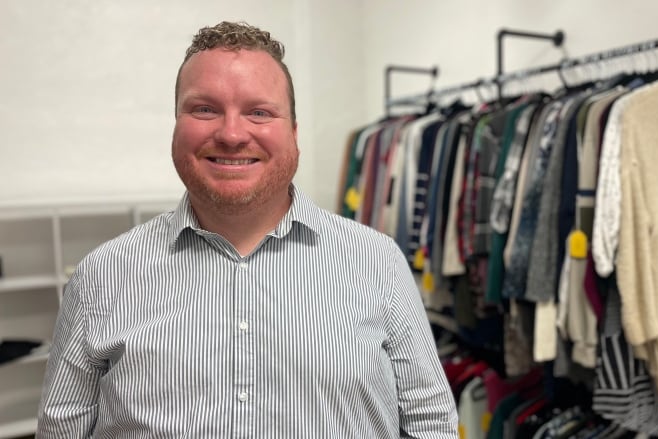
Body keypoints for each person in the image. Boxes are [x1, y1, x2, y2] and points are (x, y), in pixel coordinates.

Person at [36, 21, 458, 438]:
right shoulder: (101, 276)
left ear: (294, 134)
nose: (232, 134)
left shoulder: (378, 262)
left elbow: (431, 423)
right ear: (176, 126)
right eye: (204, 109)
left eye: (259, 112)